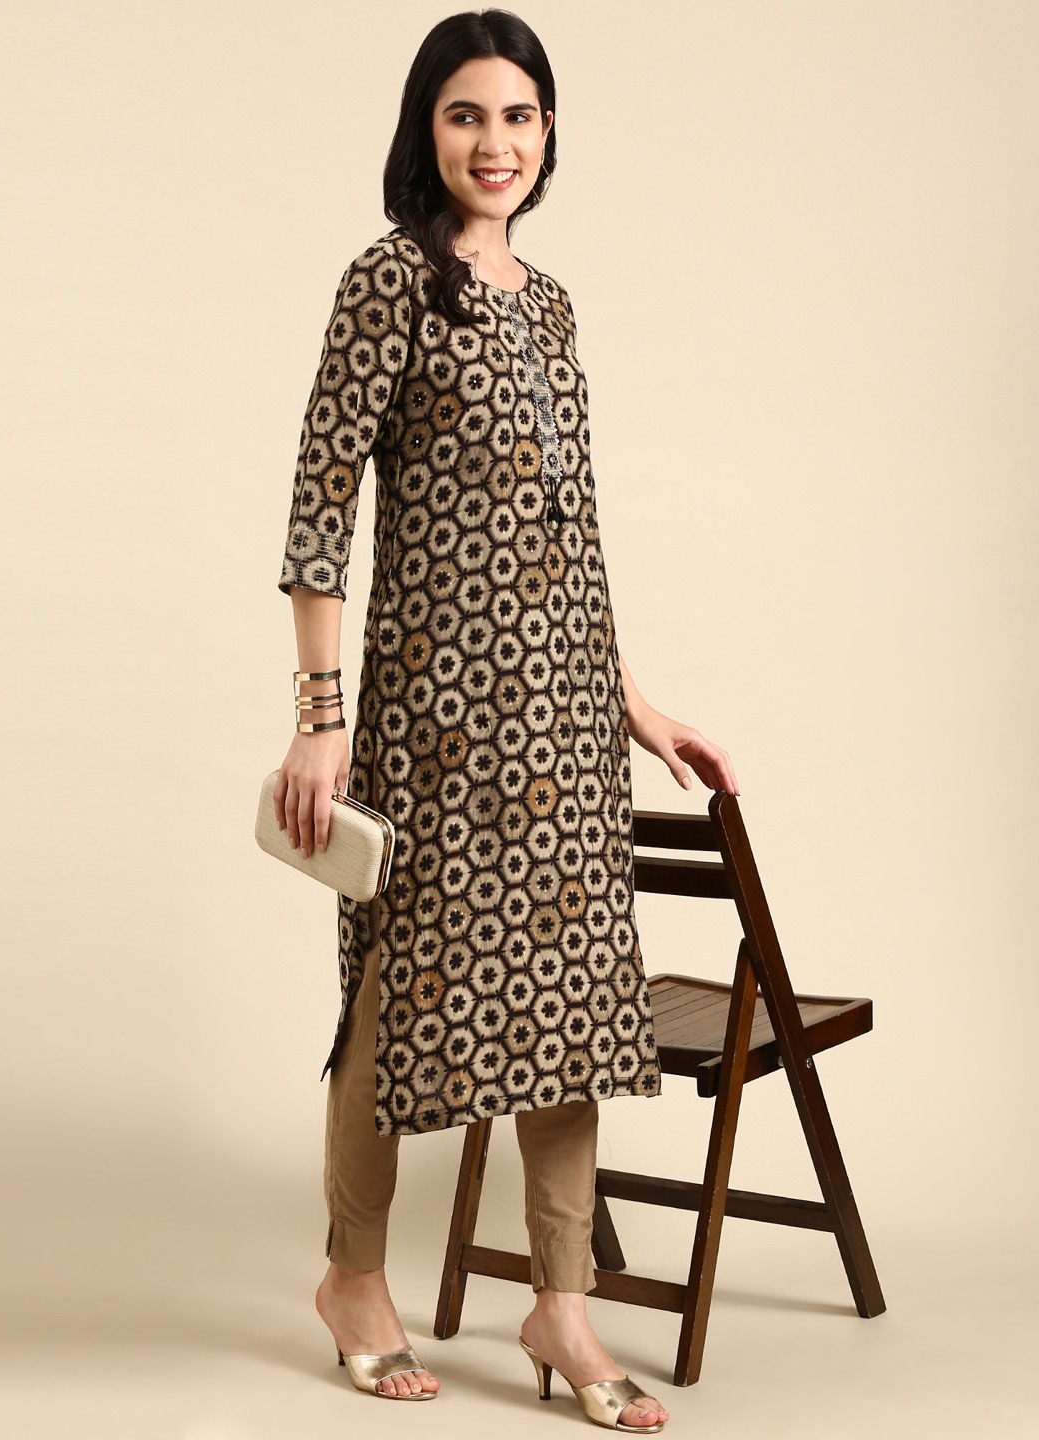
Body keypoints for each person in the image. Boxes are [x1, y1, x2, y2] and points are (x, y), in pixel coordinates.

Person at [272, 9, 737, 1430]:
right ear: (427, 130)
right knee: (392, 994)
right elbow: (320, 504)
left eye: (519, 115)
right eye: (466, 113)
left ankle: (560, 1306)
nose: (495, 142)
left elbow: (569, 535)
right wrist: (321, 717)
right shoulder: (388, 281)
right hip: (434, 720)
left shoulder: (551, 305)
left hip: (564, 730)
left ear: (548, 134)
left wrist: (636, 705)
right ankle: (355, 1277)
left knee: (571, 1003)